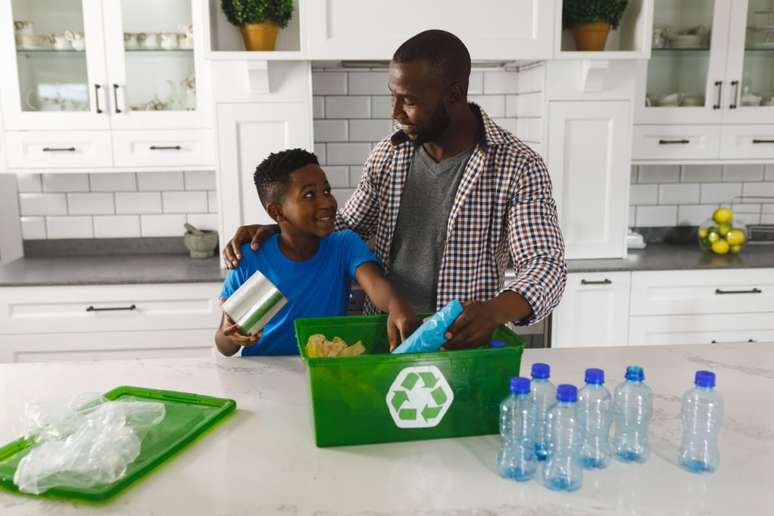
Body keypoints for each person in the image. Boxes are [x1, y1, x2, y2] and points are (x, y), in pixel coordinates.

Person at [223, 30, 567, 350]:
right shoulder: (388, 155)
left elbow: (546, 266)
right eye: (393, 96)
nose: (395, 112)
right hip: (385, 338)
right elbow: (345, 227)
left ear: (453, 95)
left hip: (459, 344)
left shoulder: (519, 166)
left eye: (409, 101)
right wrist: (282, 228)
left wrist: (493, 311)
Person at [215, 149, 419, 357]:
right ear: (276, 212)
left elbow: (376, 285)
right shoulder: (250, 258)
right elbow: (224, 346)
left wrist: (396, 306)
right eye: (310, 195)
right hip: (263, 374)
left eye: (327, 191)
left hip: (324, 369)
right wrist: (230, 334)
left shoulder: (344, 245)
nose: (327, 203)